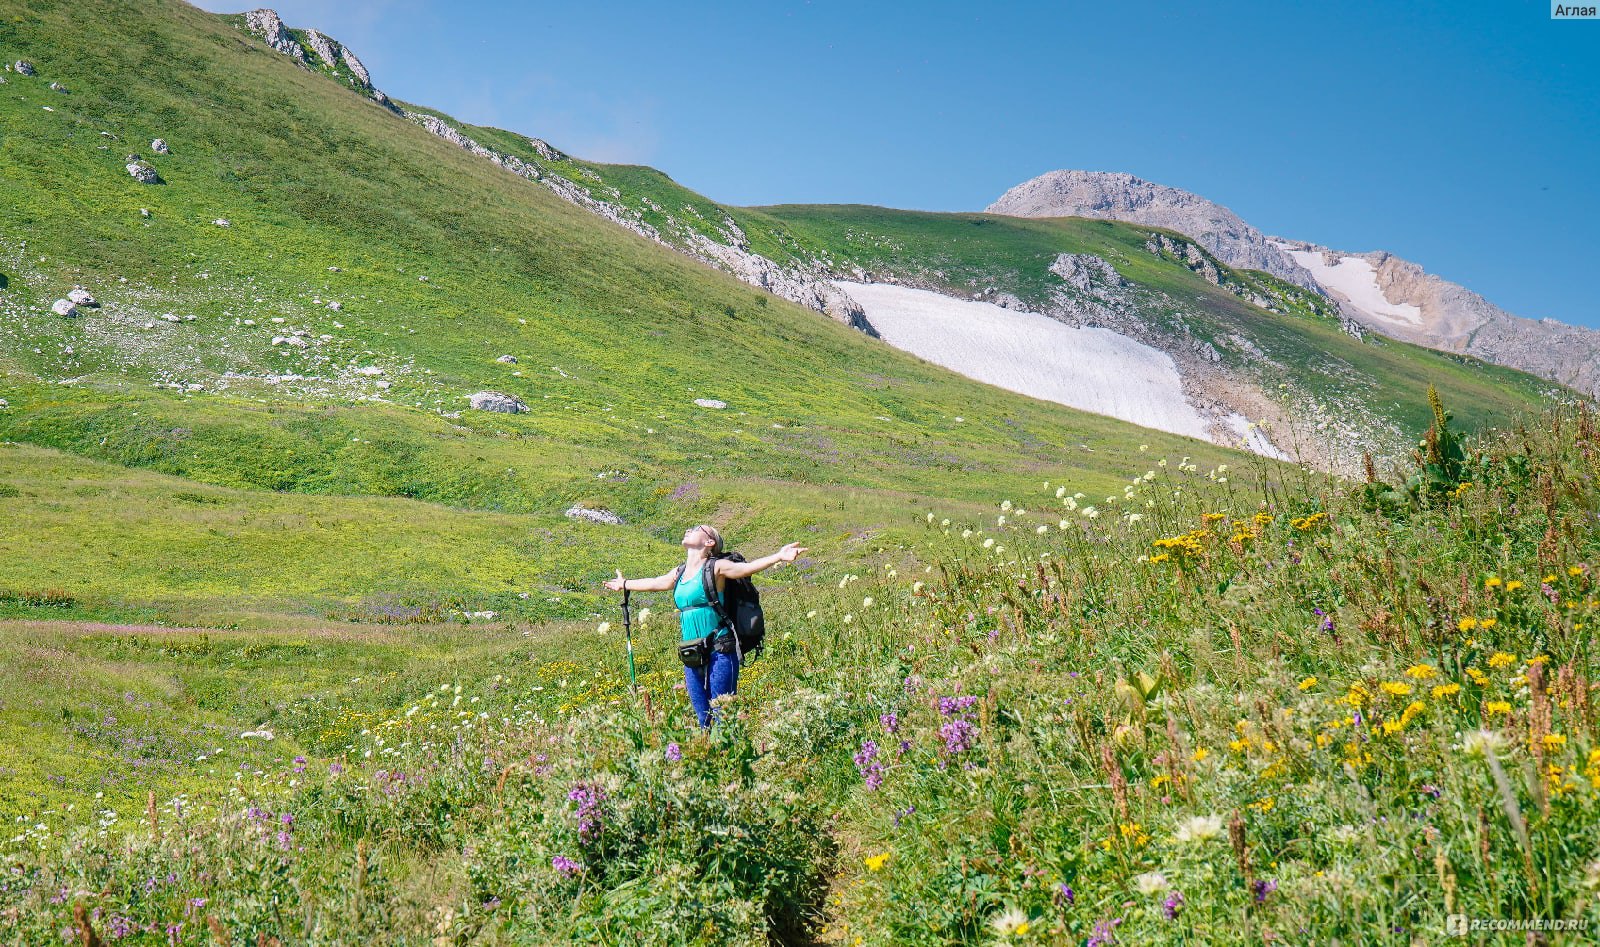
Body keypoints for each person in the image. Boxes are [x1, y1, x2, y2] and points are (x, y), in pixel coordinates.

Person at [604, 525, 806, 727]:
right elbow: (656, 582)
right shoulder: (679, 573)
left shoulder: (716, 567)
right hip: (691, 652)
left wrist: (779, 556)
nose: (689, 530)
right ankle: (710, 755)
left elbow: (746, 568)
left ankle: (729, 756)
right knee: (704, 720)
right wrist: (625, 584)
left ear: (710, 542)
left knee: (722, 716)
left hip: (720, 649)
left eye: (697, 528)